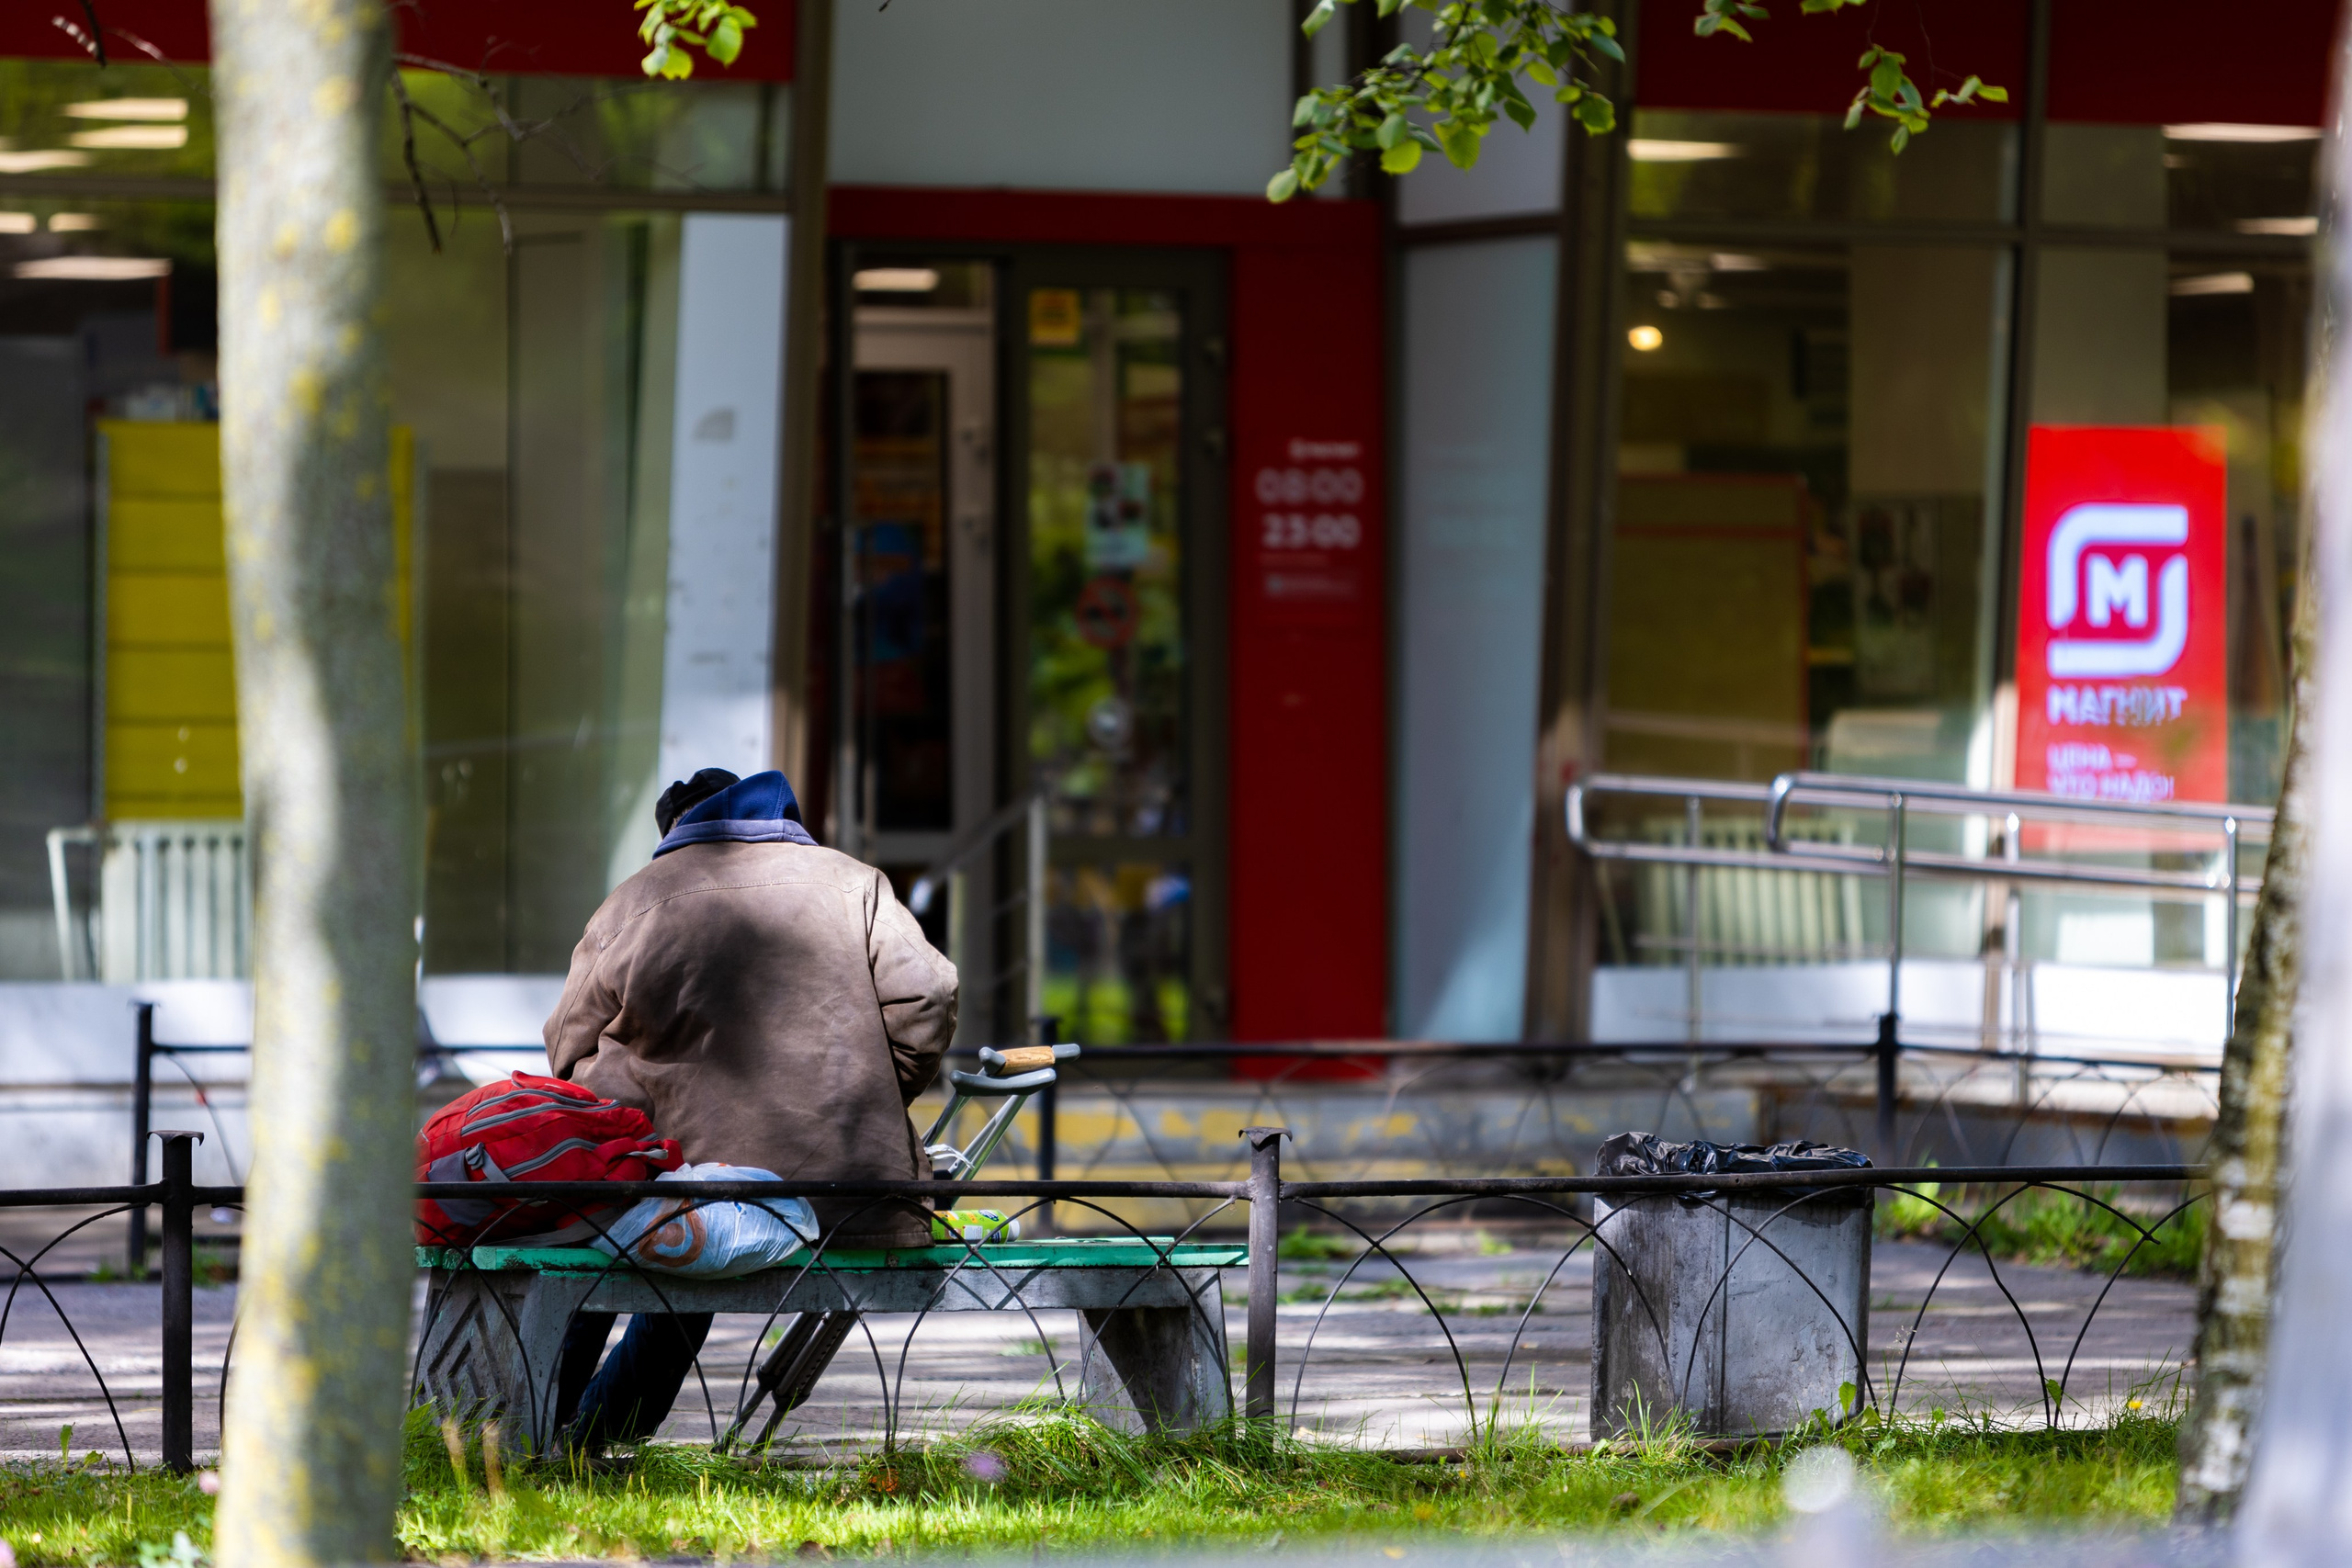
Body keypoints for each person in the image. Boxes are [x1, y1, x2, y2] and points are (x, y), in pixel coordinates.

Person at [540, 765, 958, 1450]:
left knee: (609, 1245)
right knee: (680, 1252)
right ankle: (588, 1443)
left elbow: (566, 1046)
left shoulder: (636, 899)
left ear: (675, 831)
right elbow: (929, 999)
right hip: (843, 1201)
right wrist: (876, 1094)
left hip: (684, 1198)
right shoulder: (856, 883)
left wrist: (635, 1109)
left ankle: (556, 1444)